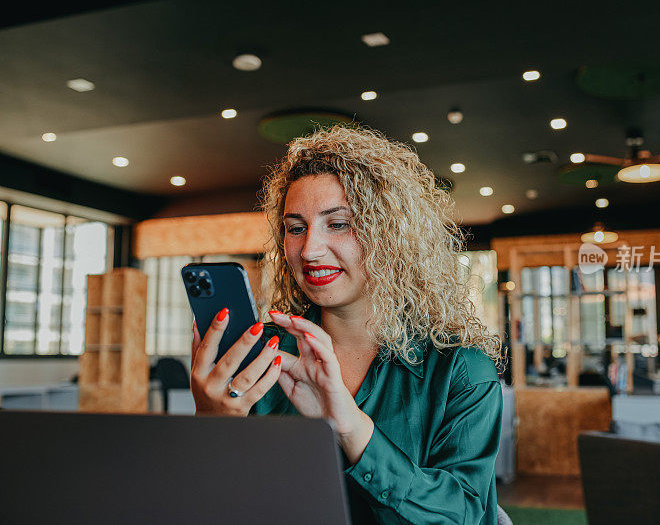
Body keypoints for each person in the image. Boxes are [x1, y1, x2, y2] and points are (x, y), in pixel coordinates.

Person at [190, 125, 505, 524]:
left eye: (337, 223)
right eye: (296, 228)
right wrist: (210, 428)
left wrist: (351, 428)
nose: (310, 250)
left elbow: (465, 516)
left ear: (390, 234)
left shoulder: (460, 371)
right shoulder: (261, 356)